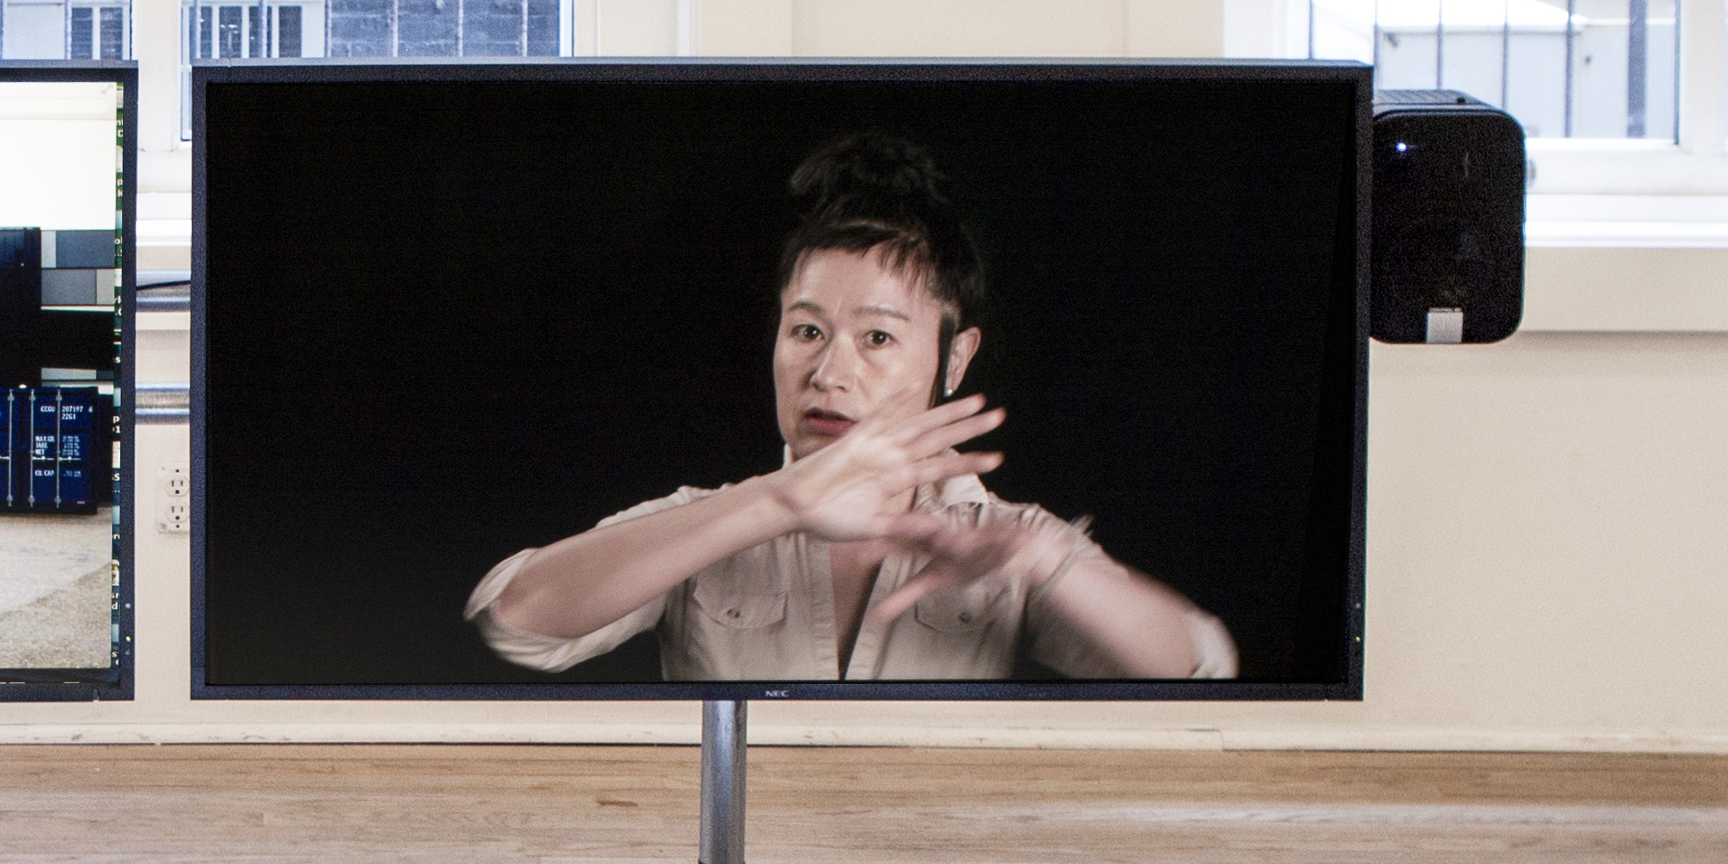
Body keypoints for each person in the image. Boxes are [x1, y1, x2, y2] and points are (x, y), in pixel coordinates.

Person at [469, 132, 1236, 684]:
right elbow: (516, 619)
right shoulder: (706, 522)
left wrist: (1042, 563)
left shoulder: (1007, 540)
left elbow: (1200, 665)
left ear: (954, 358)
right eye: (807, 330)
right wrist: (777, 502)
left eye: (877, 336)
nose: (829, 371)